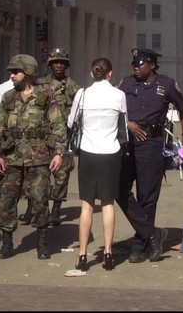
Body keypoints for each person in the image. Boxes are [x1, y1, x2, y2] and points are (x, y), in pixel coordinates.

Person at [117, 48, 183, 263]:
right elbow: (116, 108)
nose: (135, 68)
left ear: (151, 65)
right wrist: (126, 124)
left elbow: (182, 107)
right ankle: (152, 233)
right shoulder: (126, 83)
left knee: (147, 197)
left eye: (139, 64)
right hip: (128, 142)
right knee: (118, 187)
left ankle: (141, 244)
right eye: (134, 64)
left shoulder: (166, 84)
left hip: (151, 142)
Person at [0, 54, 66, 260]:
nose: (12, 75)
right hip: (12, 156)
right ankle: (7, 244)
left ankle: (42, 243)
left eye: (15, 71)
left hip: (38, 156)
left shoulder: (45, 95)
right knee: (7, 201)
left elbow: (59, 124)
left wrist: (59, 152)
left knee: (40, 200)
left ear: (28, 73)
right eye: (11, 72)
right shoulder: (8, 97)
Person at [67, 57, 127, 272]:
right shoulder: (119, 95)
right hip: (111, 153)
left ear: (92, 73)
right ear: (110, 74)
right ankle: (108, 253)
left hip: (88, 152)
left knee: (87, 205)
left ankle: (83, 255)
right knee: (108, 203)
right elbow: (124, 128)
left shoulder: (82, 95)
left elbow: (71, 123)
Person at [33, 48, 79, 226]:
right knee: (36, 173)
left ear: (66, 65)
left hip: (63, 137)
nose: (59, 65)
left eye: (62, 62)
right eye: (55, 62)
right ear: (50, 65)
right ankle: (34, 207)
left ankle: (57, 208)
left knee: (62, 175)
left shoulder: (71, 85)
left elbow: (80, 108)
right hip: (42, 136)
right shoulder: (40, 84)